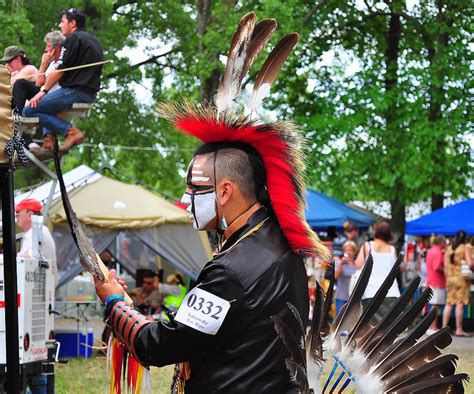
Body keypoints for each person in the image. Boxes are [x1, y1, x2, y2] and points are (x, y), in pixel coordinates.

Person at [93, 14, 329, 390]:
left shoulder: (233, 269)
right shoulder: (277, 246)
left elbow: (159, 346)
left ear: (225, 191)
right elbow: (211, 332)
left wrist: (114, 304)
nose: (186, 200)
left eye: (195, 188)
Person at [23, 8, 104, 151]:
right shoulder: (93, 41)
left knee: (30, 110)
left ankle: (71, 132)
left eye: (62, 21)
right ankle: (49, 140)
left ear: (72, 23)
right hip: (89, 93)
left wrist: (43, 92)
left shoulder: (72, 39)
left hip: (75, 91)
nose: (60, 26)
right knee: (47, 105)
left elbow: (59, 70)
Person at [355, 221, 400, 324]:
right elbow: (396, 269)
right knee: (388, 328)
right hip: (391, 292)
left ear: (375, 232)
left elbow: (358, 264)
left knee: (371, 330)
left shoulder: (368, 246)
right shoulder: (392, 249)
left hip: (371, 292)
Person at [11, 31, 66, 115]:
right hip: (42, 92)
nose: (46, 49)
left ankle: (16, 116)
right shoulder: (52, 63)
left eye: (48, 46)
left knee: (20, 83)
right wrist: (43, 64)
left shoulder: (61, 63)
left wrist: (44, 64)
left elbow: (45, 83)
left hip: (52, 95)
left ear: (57, 47)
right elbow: (39, 83)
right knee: (20, 83)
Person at [15, 198, 57, 285]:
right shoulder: (36, 232)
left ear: (30, 215)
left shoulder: (37, 232)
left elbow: (29, 259)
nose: (16, 217)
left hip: (39, 288)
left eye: (18, 213)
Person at [442, 231, 473, 337]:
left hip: (450, 279)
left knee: (449, 303)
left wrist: (448, 279)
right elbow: (470, 263)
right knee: (460, 304)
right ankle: (459, 329)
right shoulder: (465, 248)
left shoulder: (449, 248)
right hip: (461, 279)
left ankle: (443, 328)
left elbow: (445, 266)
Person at [425, 235, 446, 334]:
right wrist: (446, 270)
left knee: (433, 305)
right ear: (441, 243)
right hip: (437, 281)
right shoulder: (438, 252)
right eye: (444, 242)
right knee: (435, 305)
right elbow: (437, 266)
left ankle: (431, 327)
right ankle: (433, 327)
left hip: (431, 279)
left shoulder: (430, 250)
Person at [334, 241, 357, 315]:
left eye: (350, 250)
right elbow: (336, 276)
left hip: (354, 298)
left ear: (354, 252)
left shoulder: (357, 264)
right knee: (339, 321)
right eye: (346, 250)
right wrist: (341, 264)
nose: (348, 252)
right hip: (341, 296)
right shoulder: (340, 262)